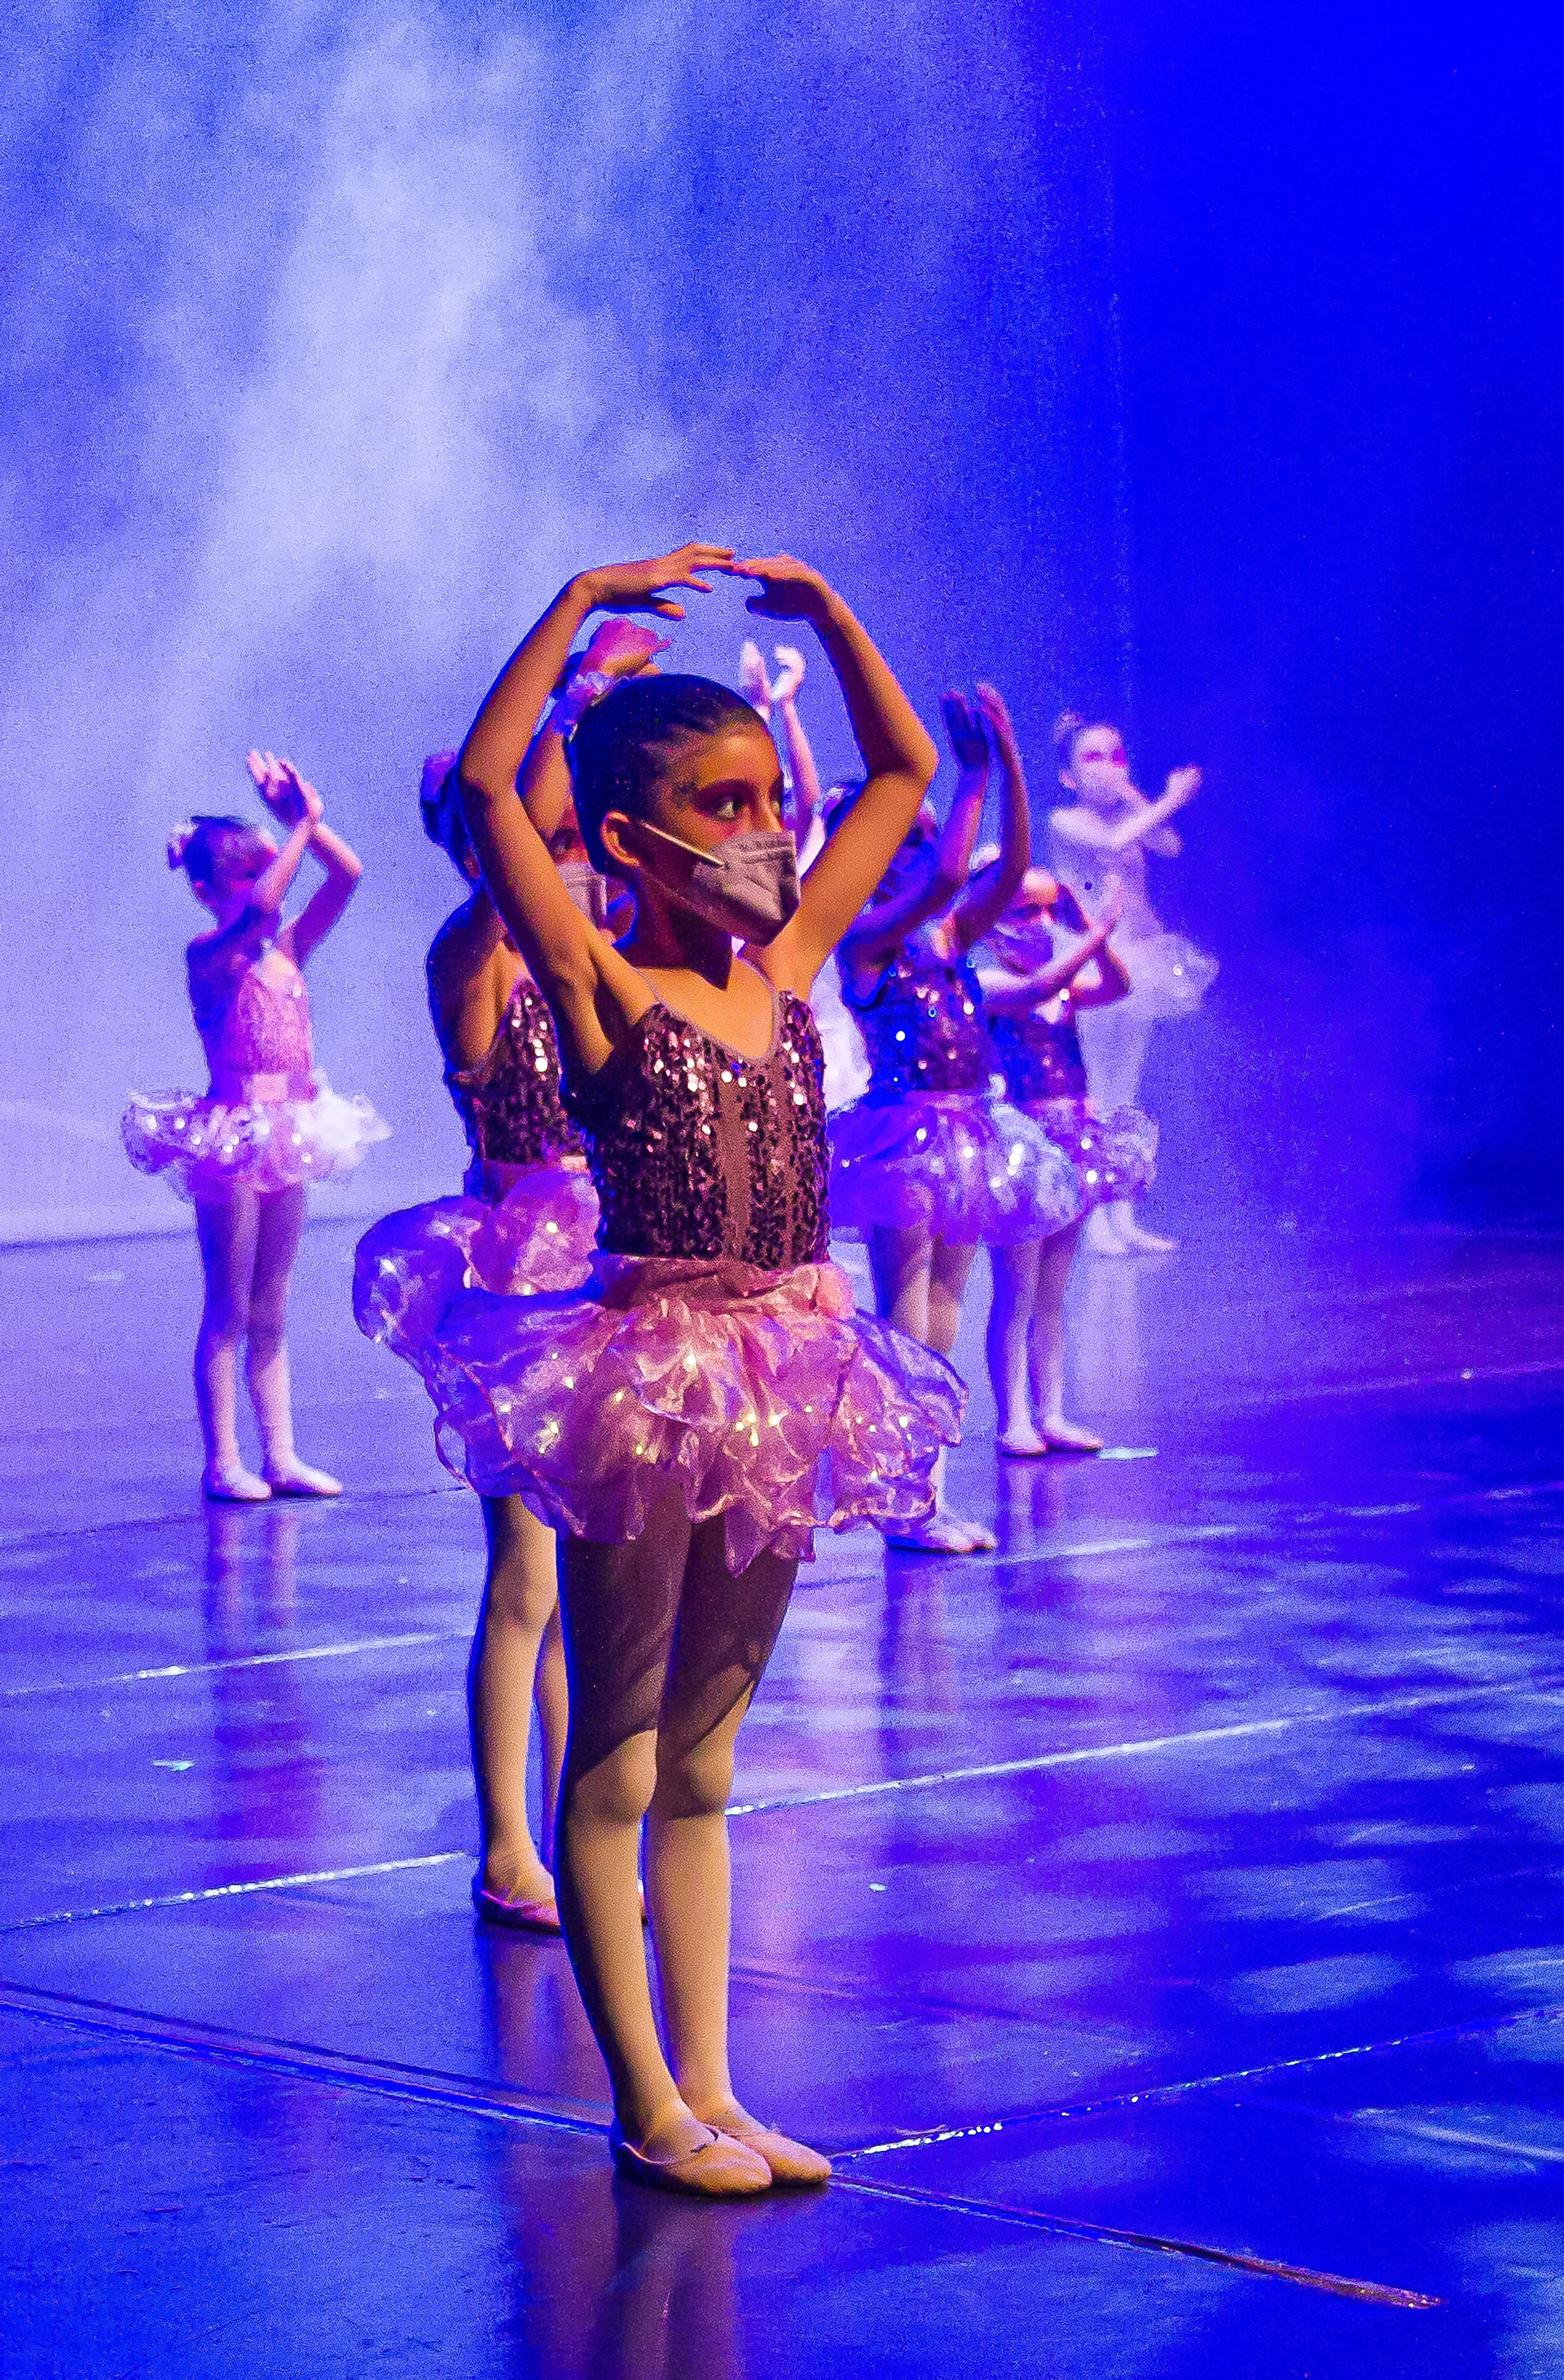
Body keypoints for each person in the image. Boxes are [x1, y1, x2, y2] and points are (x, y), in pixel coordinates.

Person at [402, 543, 963, 2197]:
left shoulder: (785, 978)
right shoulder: (598, 986)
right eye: (726, 807)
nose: (769, 832)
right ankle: (646, 2102)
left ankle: (716, 2083)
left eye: (770, 799)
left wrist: (837, 616)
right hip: (646, 1380)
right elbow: (492, 790)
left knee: (709, 1763)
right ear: (632, 845)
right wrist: (575, 602)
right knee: (622, 1749)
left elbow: (902, 773)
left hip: (785, 1370)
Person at [830, 684, 1084, 1549]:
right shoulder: (865, 935)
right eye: (905, 837)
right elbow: (948, 872)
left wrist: (1007, 758)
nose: (925, 851)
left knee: (944, 1314)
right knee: (907, 1318)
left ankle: (926, 1495)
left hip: (969, 1132)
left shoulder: (947, 936)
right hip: (901, 1137)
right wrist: (971, 771)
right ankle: (903, 1499)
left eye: (925, 834)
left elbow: (1004, 870)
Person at [124, 754, 385, 1501]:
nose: (268, 880)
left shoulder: (289, 947)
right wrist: (297, 830)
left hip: (288, 1131)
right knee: (229, 1304)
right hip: (232, 1138)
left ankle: (282, 1454)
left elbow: (348, 875)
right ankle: (223, 1460)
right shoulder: (209, 954)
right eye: (249, 872)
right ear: (206, 891)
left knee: (273, 1303)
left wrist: (306, 820)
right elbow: (258, 910)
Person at [977, 867, 1158, 1453]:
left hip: (1072, 1139)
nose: (1042, 924)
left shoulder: (1065, 987)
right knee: (1017, 1291)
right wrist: (1095, 932)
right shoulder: (987, 982)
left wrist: (1091, 934)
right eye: (1027, 911)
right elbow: (1040, 986)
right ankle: (1013, 1419)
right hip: (1020, 1146)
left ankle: (1051, 1411)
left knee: (1053, 1293)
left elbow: (1119, 986)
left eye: (1050, 911)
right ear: (993, 921)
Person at [1048, 715, 1216, 1253]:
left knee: (1125, 1092)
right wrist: (1169, 798)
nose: (1108, 767)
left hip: (1142, 959)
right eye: (1092, 758)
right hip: (1095, 965)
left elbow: (1168, 844)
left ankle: (1122, 1213)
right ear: (1069, 776)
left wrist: (1135, 794)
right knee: (1095, 1092)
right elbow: (1113, 840)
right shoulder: (1065, 820)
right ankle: (1091, 1215)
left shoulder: (1132, 813)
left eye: (1116, 755)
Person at [739, 638, 871, 1112]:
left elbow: (811, 800)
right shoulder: (749, 876)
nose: (786, 811)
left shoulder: (813, 862)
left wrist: (786, 707)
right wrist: (761, 709)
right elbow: (757, 786)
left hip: (833, 1048)